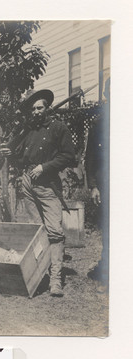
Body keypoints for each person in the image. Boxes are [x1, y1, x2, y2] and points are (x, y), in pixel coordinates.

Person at [1, 89, 75, 297]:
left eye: (39, 107)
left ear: (47, 108)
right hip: (28, 185)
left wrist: (45, 167)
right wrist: (10, 152)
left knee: (55, 232)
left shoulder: (59, 128)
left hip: (48, 185)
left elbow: (68, 156)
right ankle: (40, 273)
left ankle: (56, 280)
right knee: (36, 231)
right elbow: (20, 154)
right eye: (33, 109)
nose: (36, 111)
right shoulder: (28, 130)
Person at [86, 78, 110, 291]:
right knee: (108, 227)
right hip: (107, 184)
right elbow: (90, 158)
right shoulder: (98, 124)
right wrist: (93, 185)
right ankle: (107, 268)